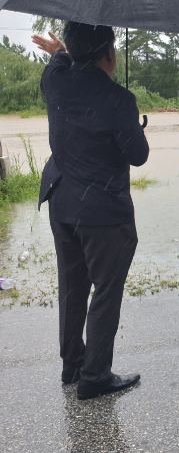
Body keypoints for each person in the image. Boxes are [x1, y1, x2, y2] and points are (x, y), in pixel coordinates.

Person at [32, 23, 149, 400]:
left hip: (62, 202)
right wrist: (135, 124)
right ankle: (95, 375)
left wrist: (63, 51)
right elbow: (139, 155)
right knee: (106, 291)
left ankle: (72, 364)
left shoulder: (56, 80)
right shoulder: (118, 99)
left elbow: (60, 63)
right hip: (102, 213)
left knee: (73, 287)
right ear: (109, 54)